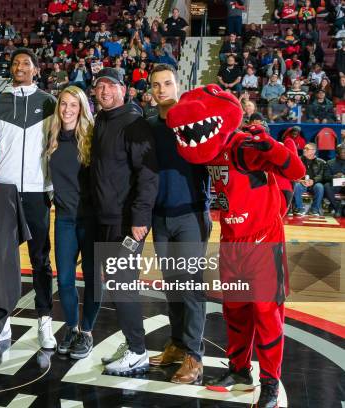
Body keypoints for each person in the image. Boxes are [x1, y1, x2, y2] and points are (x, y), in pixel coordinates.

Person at [0, 48, 57, 349]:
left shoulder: (50, 103)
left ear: (36, 70)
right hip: (4, 192)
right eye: (16, 63)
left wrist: (54, 186)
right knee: (3, 261)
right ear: (11, 69)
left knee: (40, 260)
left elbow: (57, 147)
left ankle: (44, 322)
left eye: (27, 63)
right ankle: (1, 322)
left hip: (37, 192)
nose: (20, 66)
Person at [90, 67, 158, 375]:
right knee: (115, 283)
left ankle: (138, 351)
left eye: (109, 86)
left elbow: (148, 174)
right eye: (99, 86)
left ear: (123, 89)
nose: (103, 91)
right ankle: (132, 344)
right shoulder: (103, 120)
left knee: (123, 284)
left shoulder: (134, 123)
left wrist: (140, 218)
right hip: (107, 219)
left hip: (129, 223)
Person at [146, 64, 211, 384]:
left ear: (178, 85)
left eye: (167, 83)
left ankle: (195, 357)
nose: (162, 90)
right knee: (172, 287)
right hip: (160, 218)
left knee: (191, 289)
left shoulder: (194, 122)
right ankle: (177, 343)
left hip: (191, 214)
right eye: (156, 85)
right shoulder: (148, 125)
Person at [47, 86, 100, 359]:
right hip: (64, 219)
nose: (67, 110)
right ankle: (71, 327)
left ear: (82, 109)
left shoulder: (92, 138)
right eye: (63, 104)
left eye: (73, 105)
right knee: (65, 280)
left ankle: (87, 331)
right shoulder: (52, 137)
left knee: (93, 280)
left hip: (90, 221)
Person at [293, 143, 326, 216]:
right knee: (297, 186)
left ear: (313, 151)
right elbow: (293, 173)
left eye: (307, 149)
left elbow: (321, 175)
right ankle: (300, 208)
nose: (304, 150)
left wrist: (313, 181)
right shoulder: (298, 159)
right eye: (304, 148)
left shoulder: (321, 162)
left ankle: (314, 210)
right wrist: (301, 180)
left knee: (320, 187)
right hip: (302, 183)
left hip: (314, 184)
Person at [323, 143, 345, 217]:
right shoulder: (330, 163)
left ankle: (342, 209)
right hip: (335, 185)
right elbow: (325, 177)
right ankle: (337, 207)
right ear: (337, 152)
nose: (344, 153)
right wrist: (335, 176)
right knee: (326, 186)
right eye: (342, 152)